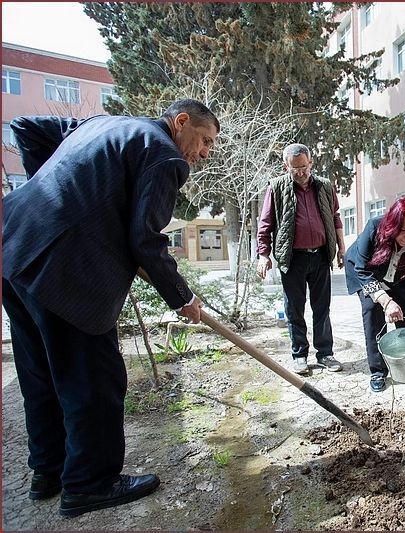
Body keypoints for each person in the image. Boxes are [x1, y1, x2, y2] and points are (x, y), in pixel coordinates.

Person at [2, 99, 218, 517]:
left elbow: (28, 127)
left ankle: (49, 470)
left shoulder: (103, 124)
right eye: (205, 140)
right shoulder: (164, 154)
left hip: (14, 246)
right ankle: (89, 483)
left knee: (40, 372)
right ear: (181, 121)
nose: (205, 153)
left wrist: (53, 202)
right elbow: (146, 240)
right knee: (94, 377)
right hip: (67, 271)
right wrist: (183, 297)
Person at [256, 143, 346, 376]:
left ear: (311, 163)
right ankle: (300, 356)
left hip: (320, 256)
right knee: (294, 309)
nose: (300, 172)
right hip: (292, 259)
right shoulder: (276, 188)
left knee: (322, 308)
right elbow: (265, 224)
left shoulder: (325, 186)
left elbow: (335, 218)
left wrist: (341, 249)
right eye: (295, 168)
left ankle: (325, 353)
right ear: (286, 166)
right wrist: (263, 255)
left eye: (304, 167)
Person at [344, 195, 405, 392]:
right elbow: (361, 269)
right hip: (365, 272)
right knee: (372, 310)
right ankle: (378, 370)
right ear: (394, 226)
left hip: (399, 276)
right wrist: (385, 300)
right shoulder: (374, 228)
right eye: (403, 230)